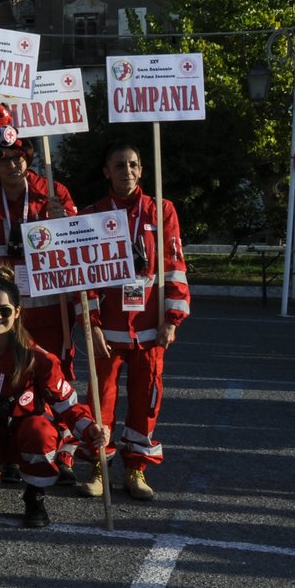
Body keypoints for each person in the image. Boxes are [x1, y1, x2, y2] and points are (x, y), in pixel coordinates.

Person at [78, 142, 189, 501]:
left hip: (149, 329)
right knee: (101, 401)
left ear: (142, 170)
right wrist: (92, 325)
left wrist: (172, 319)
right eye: (119, 165)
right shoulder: (93, 213)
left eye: (133, 165)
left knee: (146, 401)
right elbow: (86, 276)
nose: (127, 170)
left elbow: (174, 266)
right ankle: (99, 466)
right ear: (106, 172)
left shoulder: (162, 211)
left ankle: (136, 468)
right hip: (107, 330)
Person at [0, 273, 108, 527]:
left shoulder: (38, 358)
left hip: (21, 433)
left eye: (4, 310)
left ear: (17, 311)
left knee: (41, 430)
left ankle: (35, 494)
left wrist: (91, 429)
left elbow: (66, 405)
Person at [0, 133, 80, 483]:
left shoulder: (53, 191)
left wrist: (61, 219)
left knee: (56, 376)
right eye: (4, 158)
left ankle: (62, 452)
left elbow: (75, 243)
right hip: (6, 307)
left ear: (29, 158)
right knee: (7, 378)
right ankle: (8, 452)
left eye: (19, 156)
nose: (13, 164)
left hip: (50, 304)